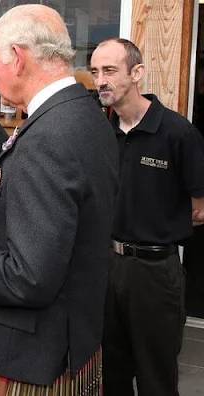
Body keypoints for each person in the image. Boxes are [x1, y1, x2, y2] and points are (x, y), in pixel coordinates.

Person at [0, 4, 118, 394]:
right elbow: (29, 179)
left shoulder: (50, 135)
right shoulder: (82, 114)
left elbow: (29, 278)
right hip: (71, 346)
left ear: (18, 58)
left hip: (27, 359)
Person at [90, 38, 204, 396]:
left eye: (109, 70)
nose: (100, 80)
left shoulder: (178, 133)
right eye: (94, 72)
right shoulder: (99, 131)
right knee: (111, 375)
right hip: (106, 267)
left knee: (156, 379)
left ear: (137, 73)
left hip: (155, 273)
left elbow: (199, 207)